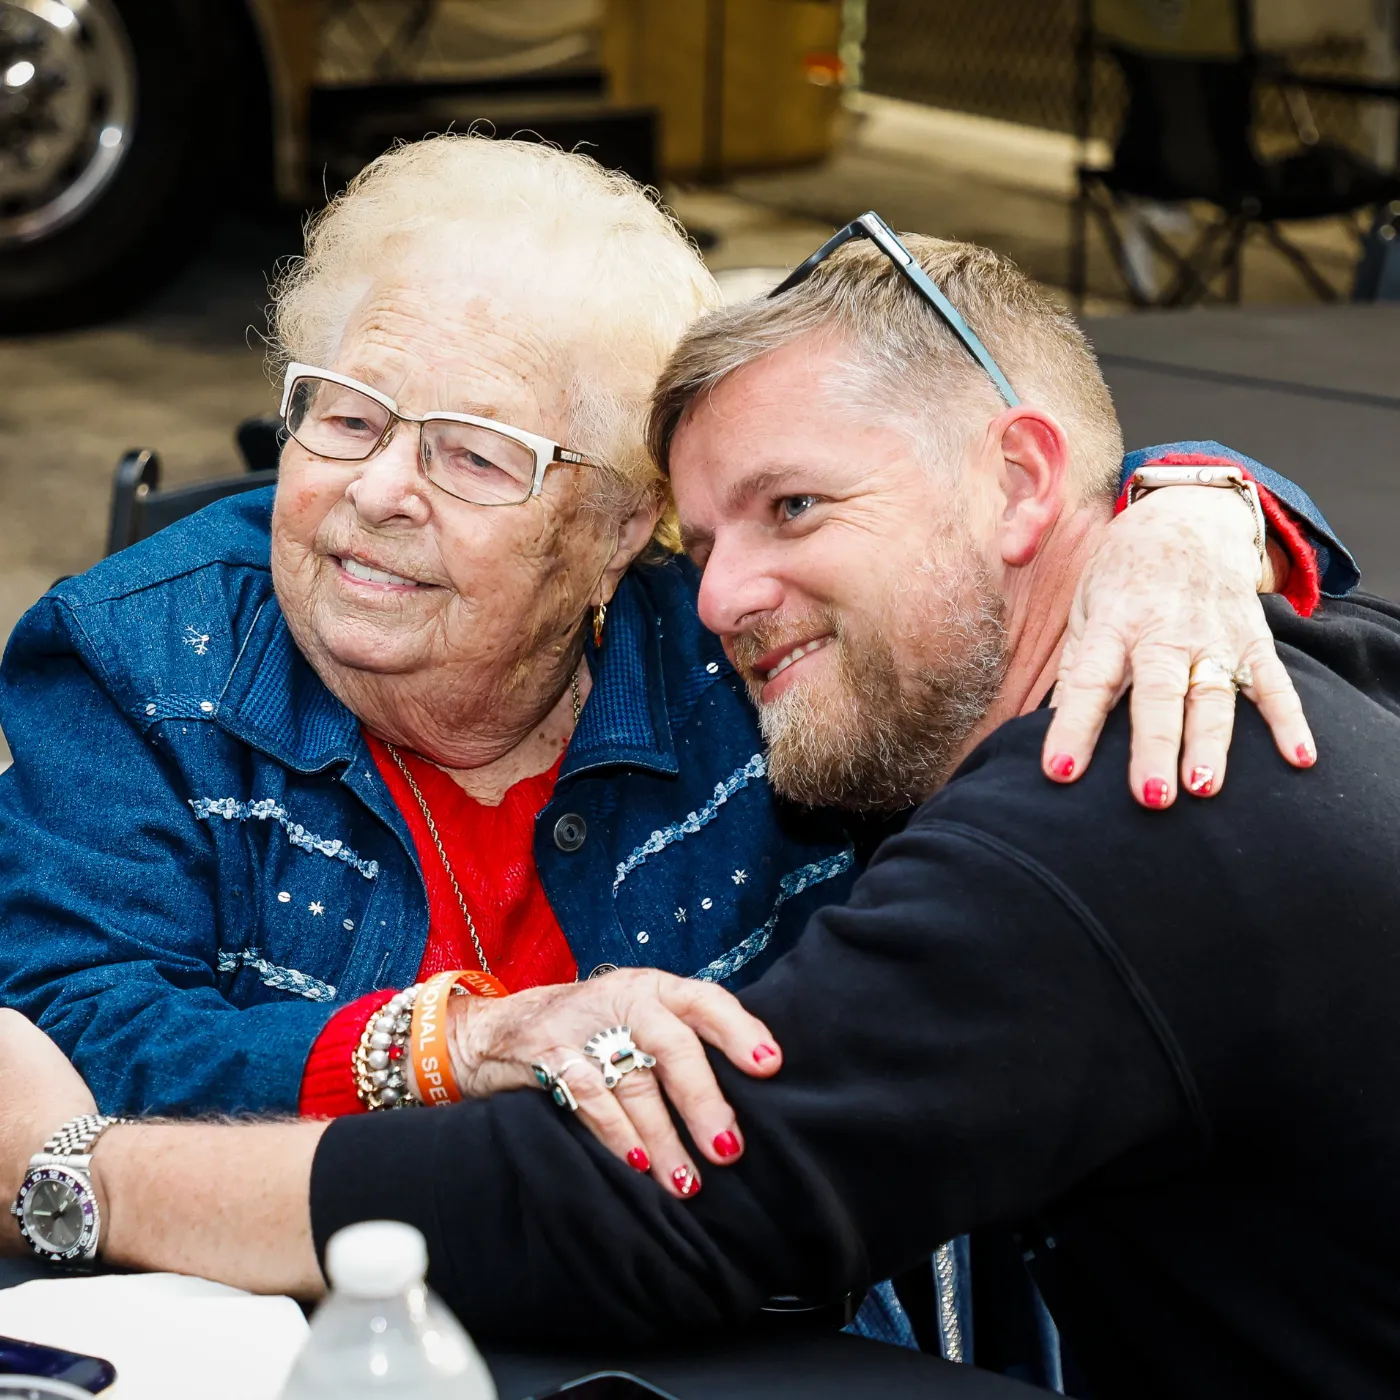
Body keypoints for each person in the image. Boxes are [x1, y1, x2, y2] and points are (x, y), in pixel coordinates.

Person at [0, 227, 1390, 1399]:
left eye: (478, 455)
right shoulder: (144, 652)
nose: (727, 594)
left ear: (606, 537)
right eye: (342, 417)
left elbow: (650, 1204)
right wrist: (1204, 501)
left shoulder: (1085, 787)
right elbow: (57, 1010)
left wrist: (77, 1178)